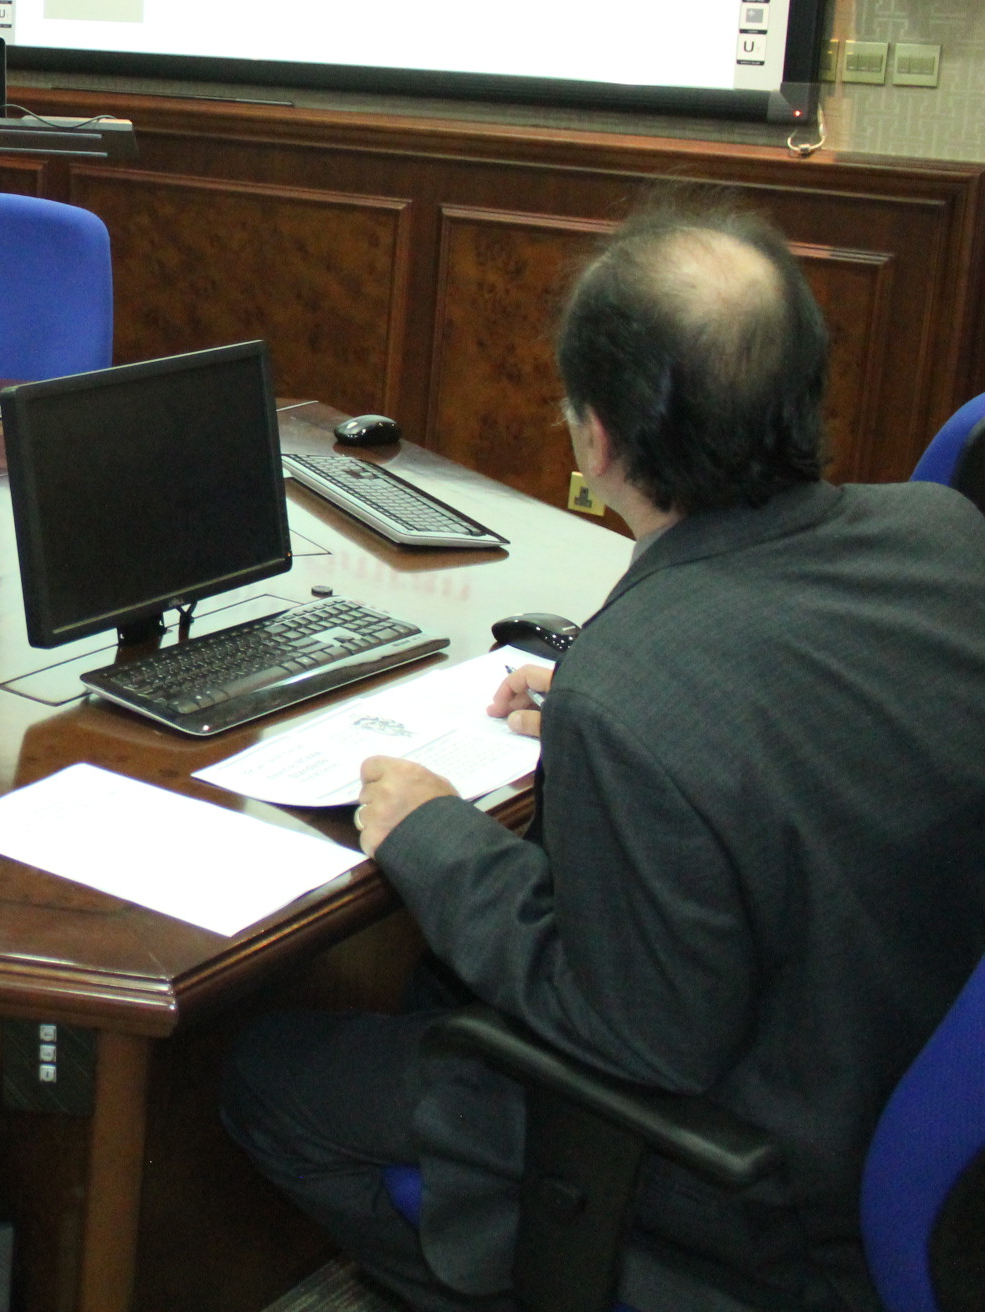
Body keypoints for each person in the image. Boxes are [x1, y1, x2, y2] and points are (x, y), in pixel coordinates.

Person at [222, 202, 985, 1312]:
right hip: (891, 1064)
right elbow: (814, 714)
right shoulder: (945, 533)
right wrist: (605, 717)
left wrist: (432, 834)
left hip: (756, 1185)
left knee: (267, 1076)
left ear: (596, 439)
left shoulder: (634, 695)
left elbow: (634, 1039)